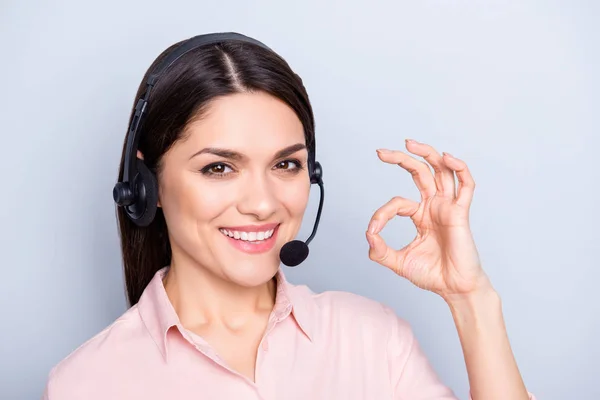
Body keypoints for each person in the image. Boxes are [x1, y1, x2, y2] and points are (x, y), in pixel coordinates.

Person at [43, 32, 536, 399]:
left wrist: (471, 299)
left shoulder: (372, 338)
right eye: (219, 167)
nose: (262, 202)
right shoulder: (86, 382)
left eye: (286, 164)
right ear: (145, 186)